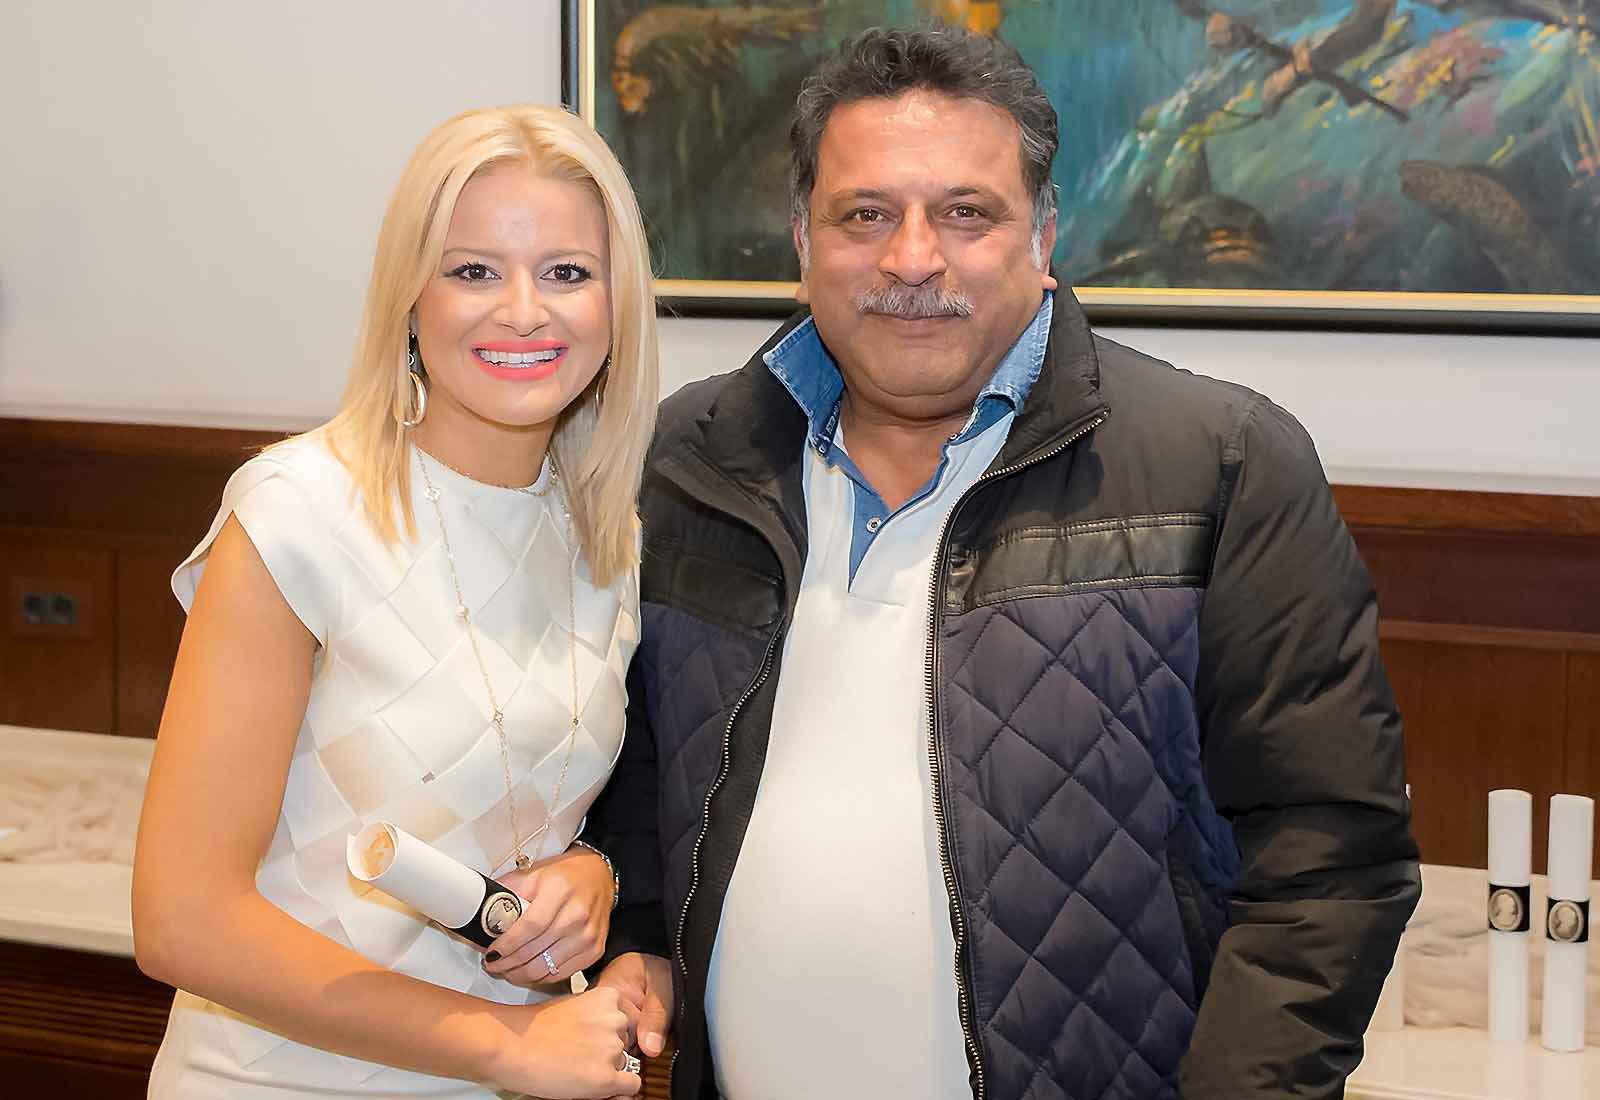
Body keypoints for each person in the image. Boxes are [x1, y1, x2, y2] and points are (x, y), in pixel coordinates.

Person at [578, 25, 1420, 1100]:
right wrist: (636, 938)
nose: (912, 259)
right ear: (802, 238)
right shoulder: (688, 464)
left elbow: (1329, 858)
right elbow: (635, 780)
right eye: (864, 214)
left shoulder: (1223, 465)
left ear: (1044, 235)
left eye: (966, 213)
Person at [132, 104, 659, 1099]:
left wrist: (589, 875)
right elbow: (182, 920)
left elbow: (524, 794)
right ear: (409, 298)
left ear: (615, 303)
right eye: (474, 271)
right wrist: (503, 1042)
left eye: (566, 272)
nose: (524, 310)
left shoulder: (606, 535)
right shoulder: (299, 514)